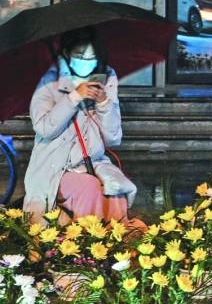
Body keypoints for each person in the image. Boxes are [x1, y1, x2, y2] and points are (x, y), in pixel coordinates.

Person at [22, 27, 137, 224]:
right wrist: (74, 97)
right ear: (66, 53)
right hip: (55, 167)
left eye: (91, 57)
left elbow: (113, 138)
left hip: (93, 163)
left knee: (116, 191)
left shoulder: (105, 78)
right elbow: (45, 129)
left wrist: (103, 103)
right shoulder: (49, 82)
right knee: (88, 189)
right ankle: (81, 246)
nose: (86, 62)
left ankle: (113, 247)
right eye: (80, 55)